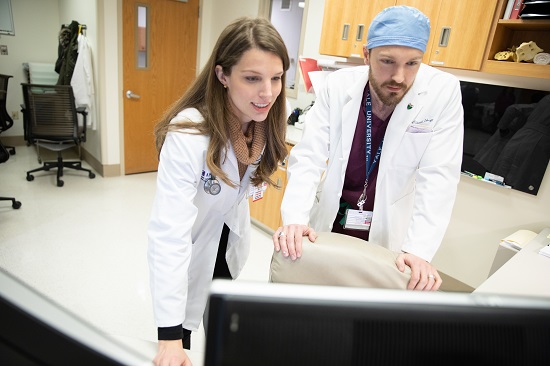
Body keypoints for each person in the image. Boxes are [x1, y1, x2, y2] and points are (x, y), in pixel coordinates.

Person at [273, 6, 464, 292]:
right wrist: (296, 220)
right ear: (366, 55)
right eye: (387, 61)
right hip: (331, 217)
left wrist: (419, 249)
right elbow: (309, 155)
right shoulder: (338, 86)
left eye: (412, 63)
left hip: (389, 228)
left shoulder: (442, 92)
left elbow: (440, 177)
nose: (399, 77)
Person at [148, 17, 289, 365]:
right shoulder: (188, 134)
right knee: (180, 342)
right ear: (222, 75)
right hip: (191, 247)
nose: (268, 92)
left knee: (223, 332)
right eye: (252, 78)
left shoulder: (260, 125)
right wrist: (167, 337)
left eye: (276, 78)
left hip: (227, 242)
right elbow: (169, 235)